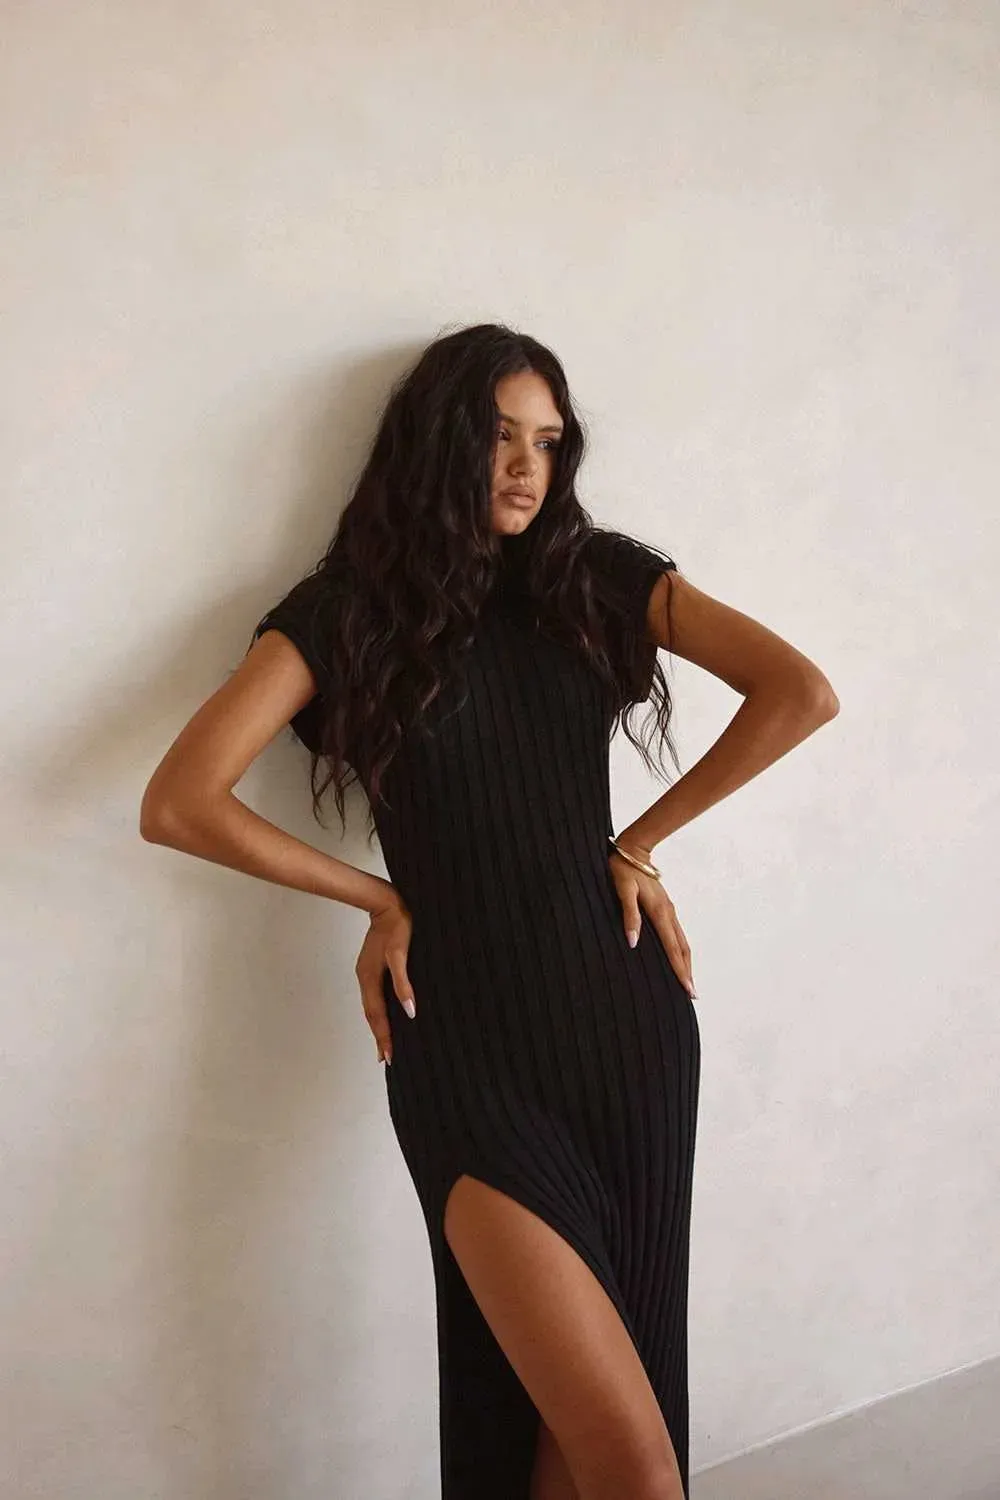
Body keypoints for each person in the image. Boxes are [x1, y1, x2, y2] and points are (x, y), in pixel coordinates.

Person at [140, 322, 839, 1500]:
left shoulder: (592, 577)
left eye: (548, 443)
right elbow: (179, 802)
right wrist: (373, 895)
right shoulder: (343, 613)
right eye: (498, 437)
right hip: (464, 1051)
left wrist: (639, 842)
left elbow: (799, 691)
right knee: (627, 1460)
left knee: (575, 1441)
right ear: (436, 443)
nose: (525, 467)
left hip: (626, 1033)